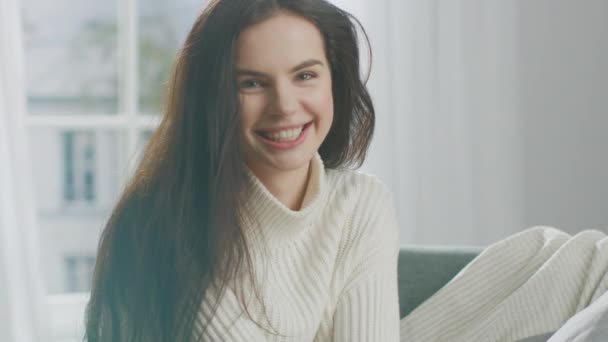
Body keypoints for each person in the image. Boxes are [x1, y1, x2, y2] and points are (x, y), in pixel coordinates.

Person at [84, 0, 400, 341]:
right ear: (212, 98)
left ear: (334, 81)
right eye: (252, 83)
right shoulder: (162, 221)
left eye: (305, 75)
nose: (284, 107)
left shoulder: (361, 205)